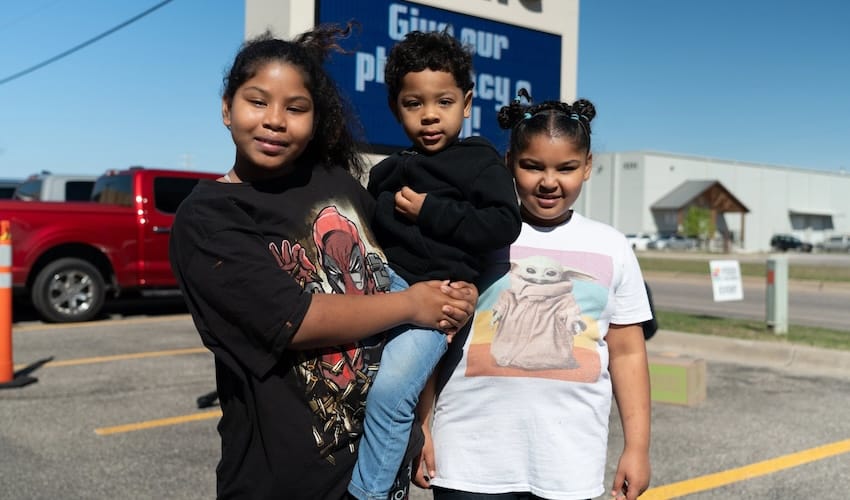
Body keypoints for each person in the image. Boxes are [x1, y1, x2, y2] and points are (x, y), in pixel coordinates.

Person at [168, 25, 478, 500]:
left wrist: (454, 295)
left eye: (295, 108)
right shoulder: (208, 218)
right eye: (257, 102)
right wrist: (415, 304)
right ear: (227, 108)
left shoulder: (338, 184)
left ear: (316, 120)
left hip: (380, 471)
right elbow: (295, 320)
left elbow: (413, 270)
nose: (275, 120)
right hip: (289, 485)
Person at [413, 95, 652, 500]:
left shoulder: (612, 246)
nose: (549, 182)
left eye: (566, 168)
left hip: (568, 467)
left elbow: (628, 353)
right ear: (509, 163)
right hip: (469, 461)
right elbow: (435, 336)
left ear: (588, 166)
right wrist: (421, 425)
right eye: (532, 166)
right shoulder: (475, 233)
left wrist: (638, 447)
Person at [348, 31, 522, 500]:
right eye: (413, 103)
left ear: (466, 103)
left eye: (443, 101)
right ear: (395, 108)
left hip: (437, 299)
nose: (429, 114)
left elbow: (504, 223)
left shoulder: (479, 162)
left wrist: (430, 210)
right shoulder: (386, 171)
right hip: (382, 291)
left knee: (391, 393)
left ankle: (369, 493)